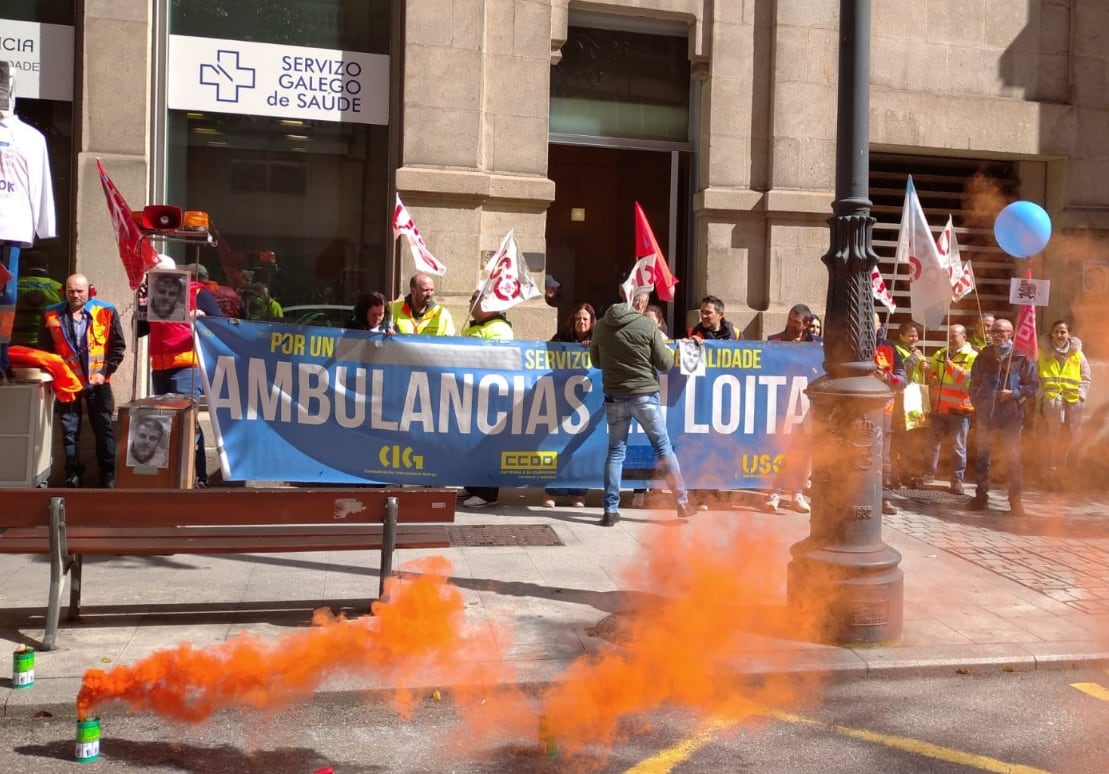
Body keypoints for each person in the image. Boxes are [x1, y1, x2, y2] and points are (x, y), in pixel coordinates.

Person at [590, 299, 694, 526]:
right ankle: (682, 502)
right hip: (645, 396)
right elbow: (665, 364)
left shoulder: (601, 326)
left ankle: (610, 510)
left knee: (616, 452)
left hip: (615, 396)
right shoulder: (647, 326)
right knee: (663, 447)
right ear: (636, 308)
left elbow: (596, 362)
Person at [140, 263, 224, 488]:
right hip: (160, 367)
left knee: (187, 424)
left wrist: (201, 318)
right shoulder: (151, 295)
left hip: (187, 367)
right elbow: (141, 331)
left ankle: (196, 477)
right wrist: (141, 309)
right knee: (168, 424)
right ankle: (173, 477)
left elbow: (220, 325)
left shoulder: (197, 292)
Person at [39, 274, 126, 488]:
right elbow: (45, 351)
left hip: (99, 383)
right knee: (69, 431)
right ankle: (72, 474)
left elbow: (117, 348)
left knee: (103, 429)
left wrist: (104, 372)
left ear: (89, 290)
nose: (75, 295)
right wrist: (53, 375)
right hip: (67, 384)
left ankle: (108, 475)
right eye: (71, 291)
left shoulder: (106, 311)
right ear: (64, 291)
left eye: (80, 291)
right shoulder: (52, 314)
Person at [968, 317, 1039, 516]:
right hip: (986, 414)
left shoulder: (1021, 357)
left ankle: (1015, 502)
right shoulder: (984, 355)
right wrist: (978, 402)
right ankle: (981, 497)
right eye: (995, 331)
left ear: (1011, 334)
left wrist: (1014, 394)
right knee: (983, 457)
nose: (998, 335)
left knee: (1013, 458)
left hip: (1011, 416)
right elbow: (973, 383)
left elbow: (1033, 386)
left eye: (1002, 332)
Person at [461, 291, 512, 507]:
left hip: (490, 394)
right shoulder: (471, 327)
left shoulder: (500, 328)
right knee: (472, 440)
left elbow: (497, 359)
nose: (470, 303)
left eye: (475, 300)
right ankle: (473, 485)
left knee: (489, 444)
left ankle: (488, 492)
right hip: (471, 391)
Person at [544, 303, 596, 508]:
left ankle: (578, 494)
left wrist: (593, 348)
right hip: (561, 401)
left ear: (591, 322)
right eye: (577, 319)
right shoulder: (561, 339)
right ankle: (551, 491)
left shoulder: (598, 342)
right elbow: (545, 354)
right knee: (557, 445)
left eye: (585, 319)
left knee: (579, 447)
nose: (581, 323)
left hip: (587, 403)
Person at [924, 323, 978, 494]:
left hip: (959, 410)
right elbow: (933, 370)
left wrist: (951, 367)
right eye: (949, 335)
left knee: (958, 447)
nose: (951, 339)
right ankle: (928, 475)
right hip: (939, 407)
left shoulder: (973, 356)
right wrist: (931, 376)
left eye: (954, 336)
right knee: (932, 444)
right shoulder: (941, 353)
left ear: (964, 337)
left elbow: (970, 380)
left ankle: (956, 481)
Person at [1037, 320, 1090, 490]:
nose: (1059, 335)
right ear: (1051, 334)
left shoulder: (1078, 354)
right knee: (1049, 440)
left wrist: (1081, 396)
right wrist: (1042, 395)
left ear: (1069, 334)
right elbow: (1035, 376)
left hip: (1072, 406)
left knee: (1068, 441)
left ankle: (1063, 476)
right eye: (1056, 332)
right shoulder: (1041, 352)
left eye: (1063, 332)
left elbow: (1086, 377)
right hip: (1051, 404)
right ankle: (1048, 477)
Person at [873, 312, 907, 515]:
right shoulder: (853, 344)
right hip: (857, 410)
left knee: (883, 456)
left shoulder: (890, 348)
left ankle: (884, 497)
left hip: (884, 410)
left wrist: (885, 377)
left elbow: (902, 381)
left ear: (879, 325)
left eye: (873, 321)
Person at [892, 321, 929, 487]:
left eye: (916, 336)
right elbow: (903, 371)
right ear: (901, 336)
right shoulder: (896, 351)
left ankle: (907, 473)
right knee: (897, 438)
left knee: (912, 438)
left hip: (914, 397)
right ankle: (893, 474)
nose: (914, 339)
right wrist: (915, 358)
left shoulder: (917, 352)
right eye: (911, 336)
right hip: (900, 398)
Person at [11, 251, 62, 347]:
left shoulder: (10, 287)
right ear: (46, 266)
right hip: (47, 343)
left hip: (13, 343)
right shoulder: (59, 288)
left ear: (23, 265)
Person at [390, 273, 455, 335]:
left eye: (432, 290)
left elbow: (450, 342)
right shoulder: (393, 309)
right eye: (425, 290)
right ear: (413, 290)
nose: (429, 294)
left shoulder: (442, 313)